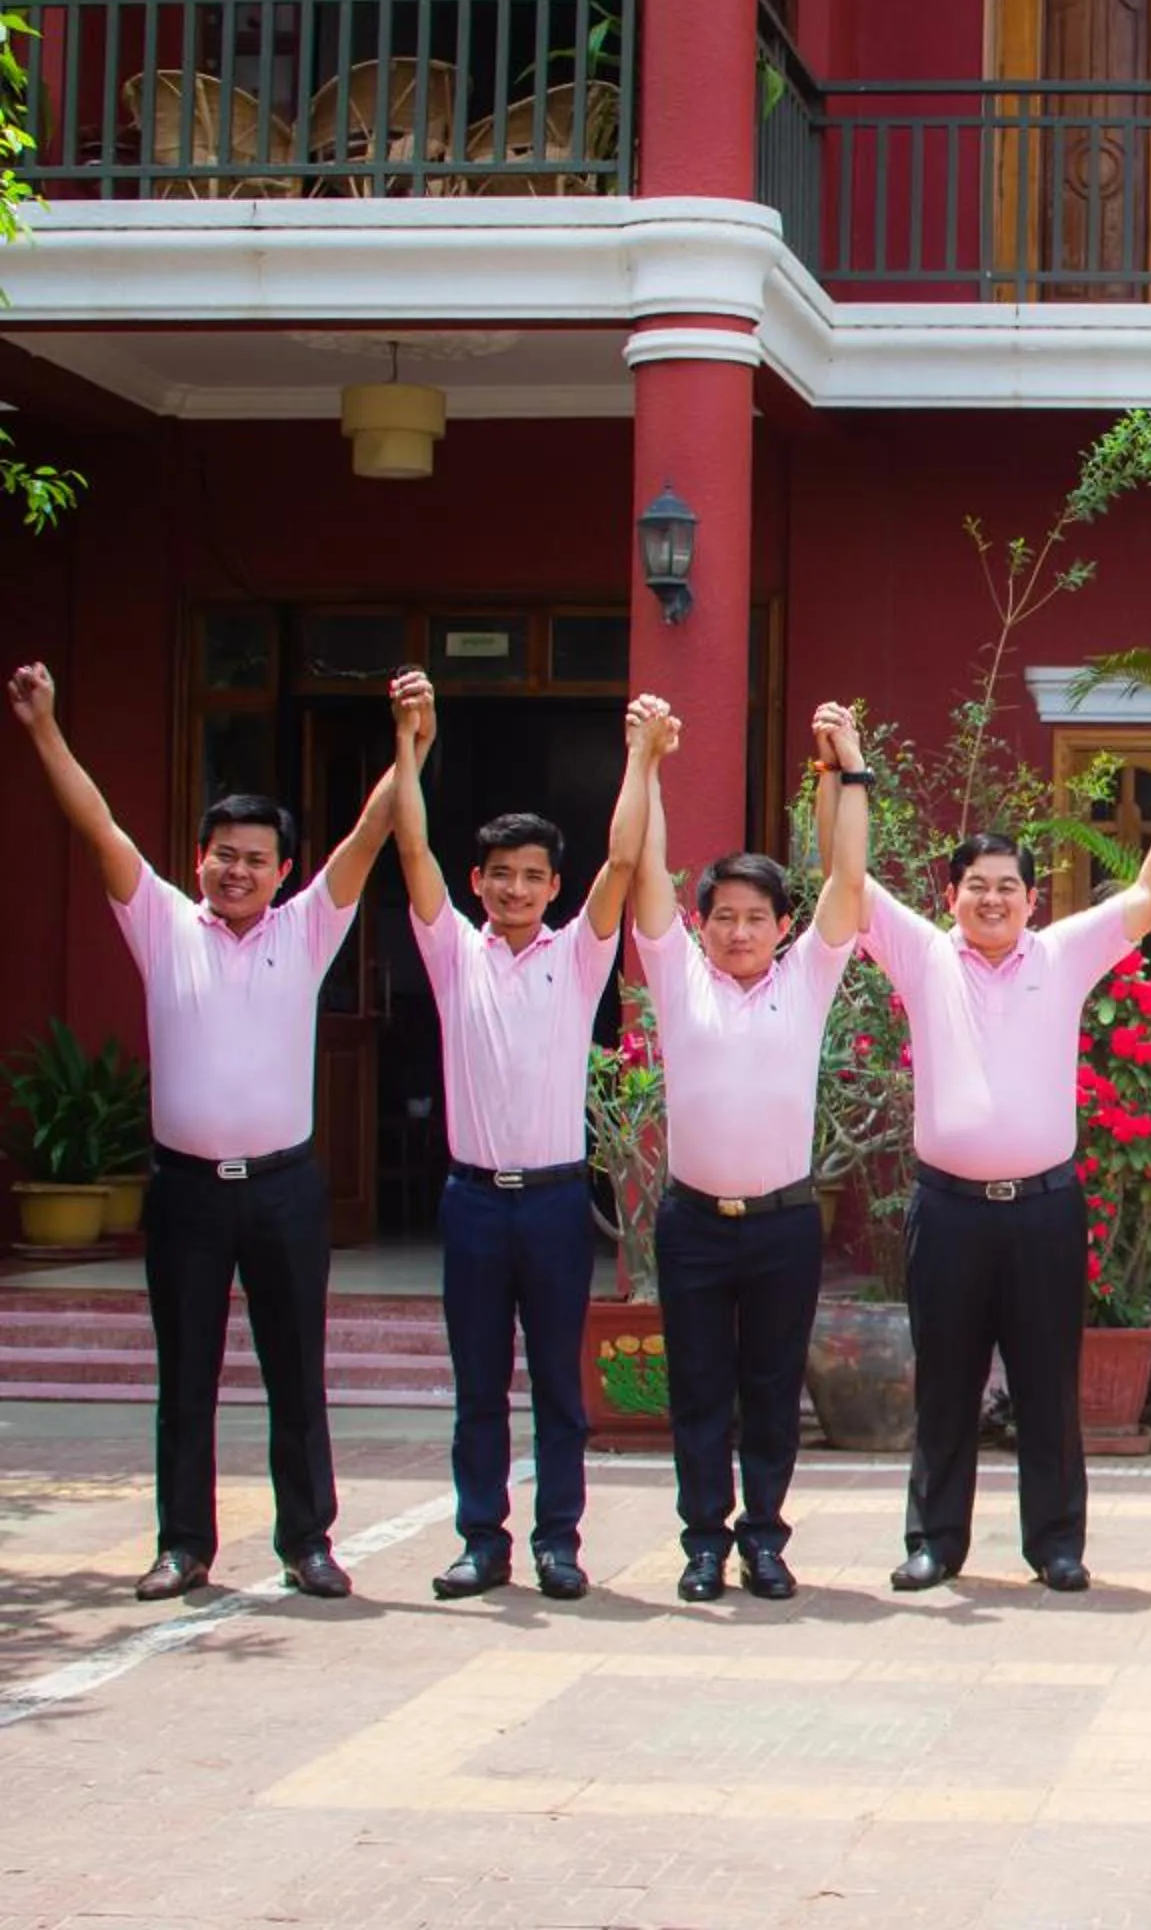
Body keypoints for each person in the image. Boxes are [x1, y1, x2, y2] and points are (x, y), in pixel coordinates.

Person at [10, 661, 406, 1602]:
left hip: (283, 1189)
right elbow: (97, 823)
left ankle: (308, 1543)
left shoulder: (308, 931)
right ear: (200, 858)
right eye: (223, 853)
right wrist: (43, 729)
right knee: (184, 1377)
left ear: (283, 871)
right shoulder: (161, 923)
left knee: (295, 1376)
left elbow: (369, 833)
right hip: (186, 1189)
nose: (237, 870)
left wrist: (409, 745)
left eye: (256, 858)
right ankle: (183, 1546)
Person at [861, 731, 1151, 1594]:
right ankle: (935, 1541)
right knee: (946, 1383)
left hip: (1044, 1208)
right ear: (952, 895)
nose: (993, 900)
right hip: (951, 1211)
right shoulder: (923, 954)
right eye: (977, 887)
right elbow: (847, 883)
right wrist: (847, 768)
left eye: (1009, 887)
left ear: (1033, 898)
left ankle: (1055, 1544)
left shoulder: (1064, 953)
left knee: (1050, 1382)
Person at [388, 670, 648, 1603]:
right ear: (479, 882)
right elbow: (408, 845)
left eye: (532, 877)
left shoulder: (579, 958)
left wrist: (640, 759)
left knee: (558, 1388)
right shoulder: (453, 952)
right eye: (500, 875)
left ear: (551, 887)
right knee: (477, 1386)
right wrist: (412, 746)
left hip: (550, 1202)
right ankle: (481, 1540)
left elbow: (622, 867)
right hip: (470, 1202)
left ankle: (558, 1543)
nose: (515, 889)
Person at [631, 699, 870, 1603]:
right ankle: (702, 1545)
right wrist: (645, 762)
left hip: (781, 1227)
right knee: (698, 1391)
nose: (738, 931)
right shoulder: (677, 977)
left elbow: (848, 880)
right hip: (693, 1225)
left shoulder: (808, 978)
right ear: (702, 926)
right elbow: (642, 868)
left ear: (782, 924)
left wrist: (848, 765)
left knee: (772, 1391)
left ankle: (764, 1539)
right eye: (723, 915)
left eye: (755, 916)